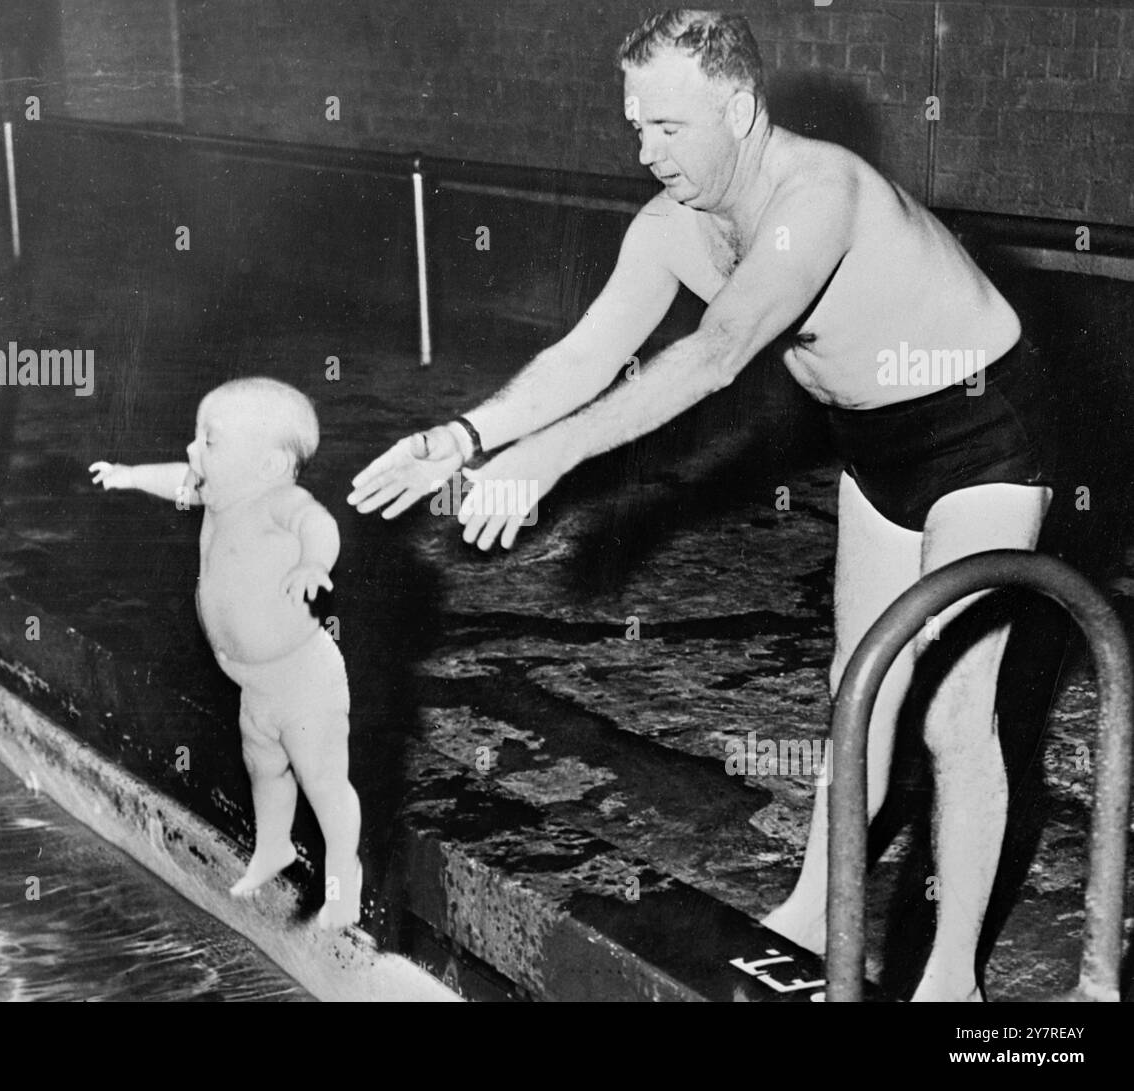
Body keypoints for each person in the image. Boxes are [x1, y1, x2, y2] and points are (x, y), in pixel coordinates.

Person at [347, 9, 1054, 999]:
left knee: (953, 712)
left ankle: (949, 978)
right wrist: (464, 438)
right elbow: (588, 354)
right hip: (874, 443)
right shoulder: (670, 227)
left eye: (667, 128)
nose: (645, 152)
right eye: (634, 127)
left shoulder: (819, 192)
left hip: (984, 426)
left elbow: (717, 354)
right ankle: (818, 905)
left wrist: (549, 460)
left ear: (736, 105)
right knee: (859, 688)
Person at [91, 377, 362, 928]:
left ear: (268, 465)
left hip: (303, 683)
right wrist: (129, 477)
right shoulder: (219, 490)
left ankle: (344, 880)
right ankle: (274, 849)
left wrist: (313, 563)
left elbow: (320, 524)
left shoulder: (279, 501)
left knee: (324, 783)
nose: (193, 451)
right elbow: (178, 480)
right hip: (256, 688)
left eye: (209, 442)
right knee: (265, 769)